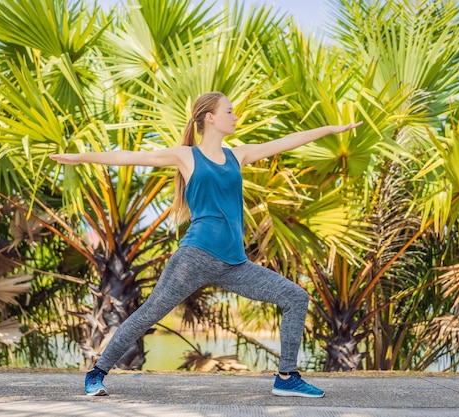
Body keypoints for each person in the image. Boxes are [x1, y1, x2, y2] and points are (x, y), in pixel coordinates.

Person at [50, 92, 362, 398]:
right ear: (210, 118)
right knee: (149, 314)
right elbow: (128, 157)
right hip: (195, 257)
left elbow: (287, 141)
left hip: (234, 263)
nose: (235, 116)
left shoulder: (237, 156)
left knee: (295, 297)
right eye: (229, 111)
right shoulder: (187, 156)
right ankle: (97, 371)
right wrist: (79, 158)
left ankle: (286, 377)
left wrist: (331, 130)